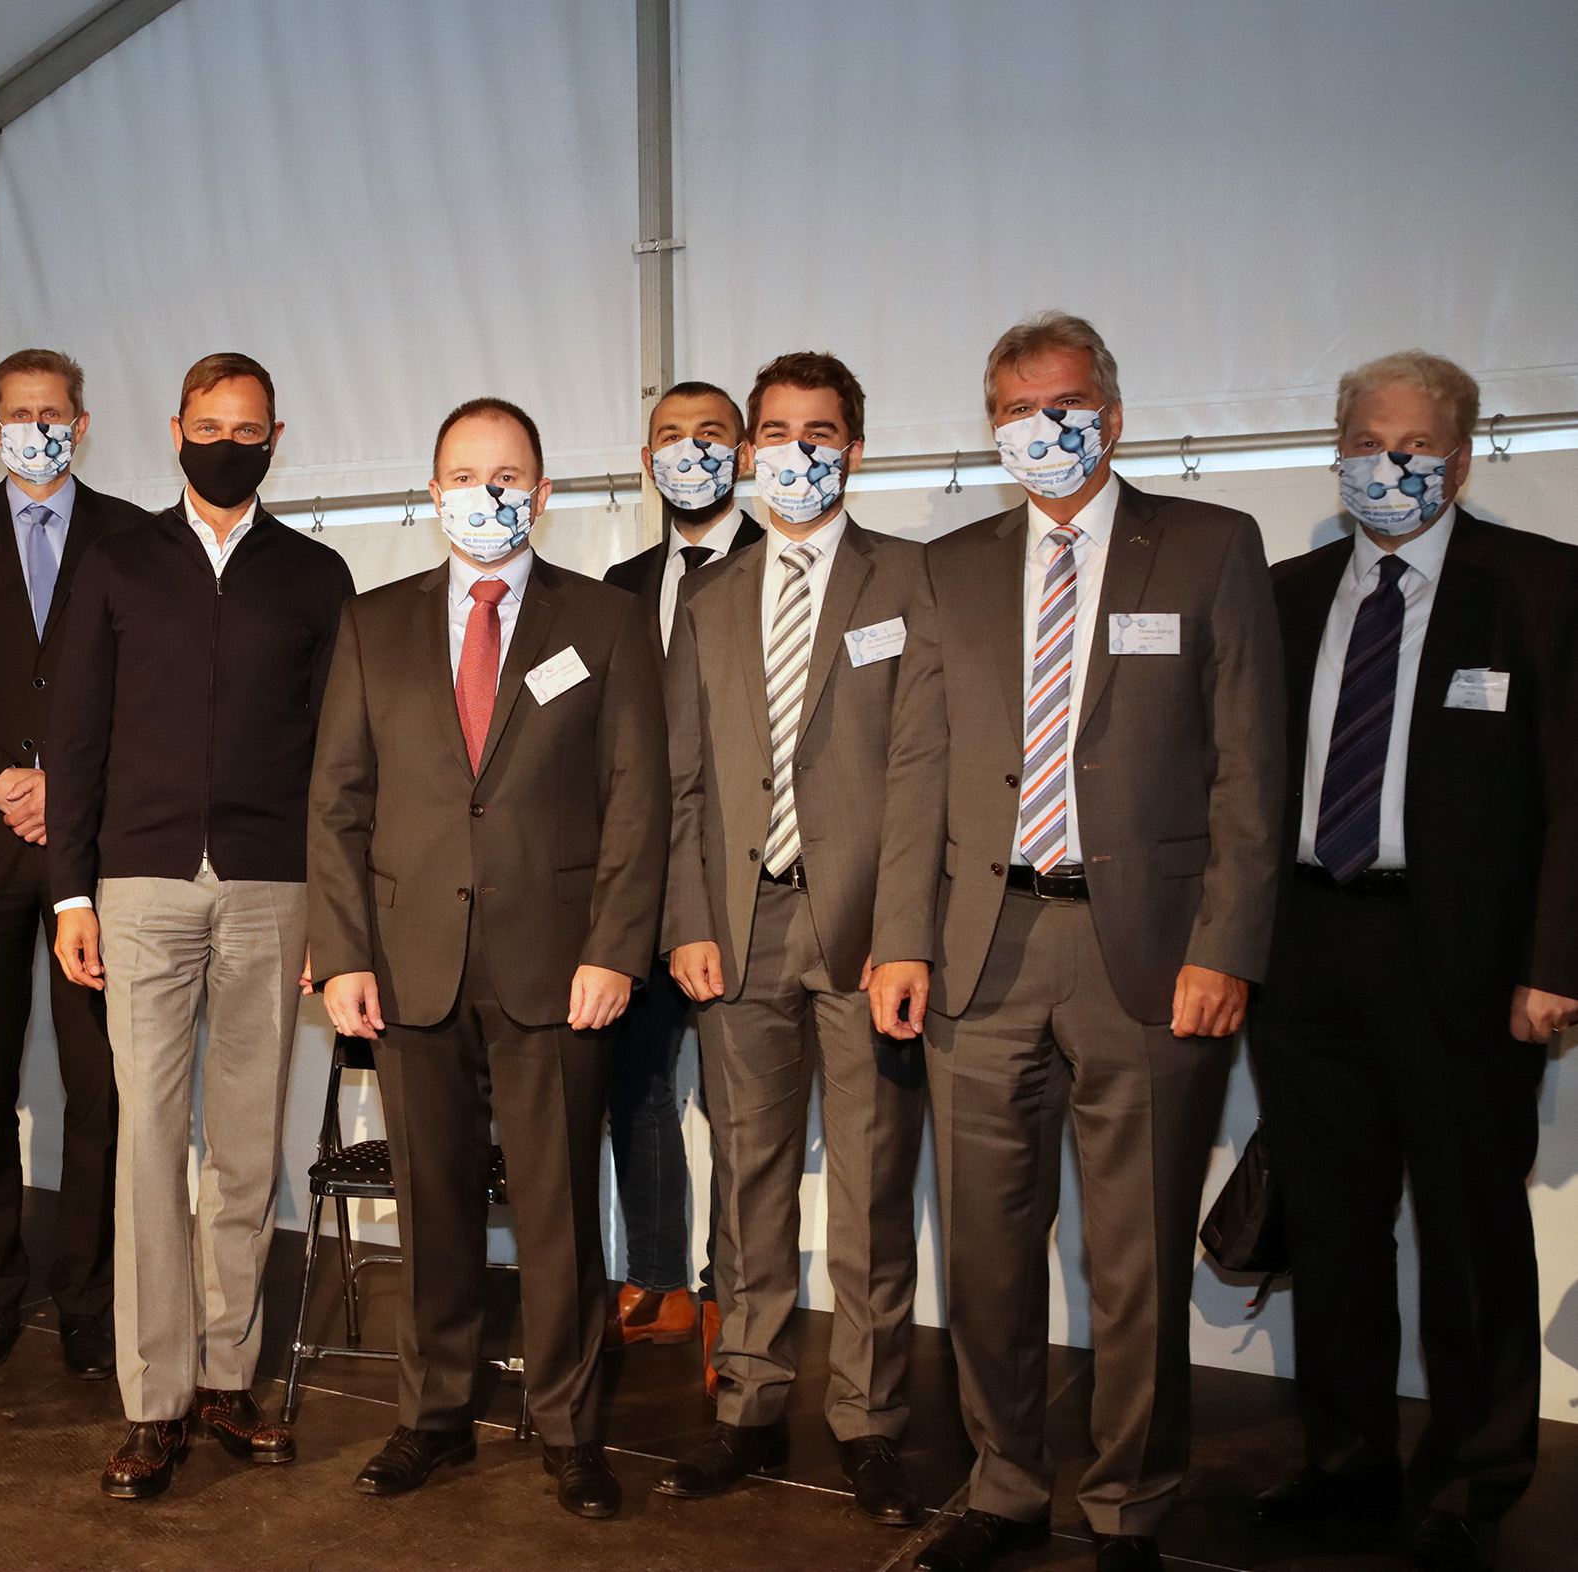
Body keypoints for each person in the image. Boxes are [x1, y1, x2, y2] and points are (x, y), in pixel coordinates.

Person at [871, 314, 1284, 1572]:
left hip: (1148, 961)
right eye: (1013, 408)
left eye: (1063, 403)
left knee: (1137, 1256)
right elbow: (917, 768)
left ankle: (1128, 1506)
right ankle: (1001, 1484)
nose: (1041, 428)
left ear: (1110, 406)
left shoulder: (1210, 548)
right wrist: (899, 938)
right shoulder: (950, 569)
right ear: (990, 425)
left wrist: (1228, 948)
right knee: (987, 1251)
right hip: (980, 956)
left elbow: (1250, 771)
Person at [1246, 351, 1578, 1572]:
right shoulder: (1284, 595)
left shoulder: (1541, 589)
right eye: (1367, 442)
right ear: (1336, 449)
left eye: (1416, 446)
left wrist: (1556, 962)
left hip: (1470, 965)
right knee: (1329, 1227)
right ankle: (1344, 1458)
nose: (1389, 466)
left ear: (1463, 453)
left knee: (1469, 1228)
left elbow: (1573, 795)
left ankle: (1477, 1473)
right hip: (1305, 945)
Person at [312, 397, 669, 1520]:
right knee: (431, 1206)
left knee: (560, 1209)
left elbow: (637, 802)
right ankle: (432, 1419)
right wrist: (341, 955)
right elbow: (336, 805)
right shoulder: (372, 625)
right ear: (432, 491)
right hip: (409, 966)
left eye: (508, 472)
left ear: (545, 490)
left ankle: (570, 1430)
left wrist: (615, 948)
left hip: (556, 971)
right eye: (465, 473)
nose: (487, 491)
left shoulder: (606, 623)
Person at [47, 352, 353, 1500]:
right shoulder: (115, 564)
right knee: (145, 1146)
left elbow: (340, 756)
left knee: (245, 1146)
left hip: (277, 891)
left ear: (280, 435)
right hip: (140, 889)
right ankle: (153, 1397)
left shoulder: (316, 576)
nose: (229, 440)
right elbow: (75, 738)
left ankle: (227, 1377)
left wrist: (336, 905)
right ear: (173, 428)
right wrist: (70, 894)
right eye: (209, 423)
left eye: (250, 426)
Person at [653, 353, 936, 1527]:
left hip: (870, 935)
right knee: (747, 1181)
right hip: (739, 928)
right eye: (774, 431)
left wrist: (909, 933)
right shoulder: (712, 599)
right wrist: (683, 923)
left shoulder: (914, 579)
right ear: (748, 450)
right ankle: (749, 1402)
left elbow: (929, 773)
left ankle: (869, 1421)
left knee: (871, 1189)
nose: (793, 450)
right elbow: (678, 784)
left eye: (819, 432)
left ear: (855, 448)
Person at [0, 349, 149, 1381]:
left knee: (96, 1087)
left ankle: (87, 1297)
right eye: (18, 414)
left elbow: (152, 694)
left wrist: (71, 783)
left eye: (53, 413)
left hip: (97, 855)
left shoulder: (137, 540)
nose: (36, 428)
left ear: (84, 421)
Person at [598, 378, 763, 1361]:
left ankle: (731, 1296)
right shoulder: (620, 585)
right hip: (640, 882)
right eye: (669, 436)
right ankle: (658, 1276)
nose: (688, 451)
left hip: (746, 880)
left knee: (743, 1098)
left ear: (742, 453)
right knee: (636, 1082)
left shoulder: (777, 566)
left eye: (710, 435)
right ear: (644, 454)